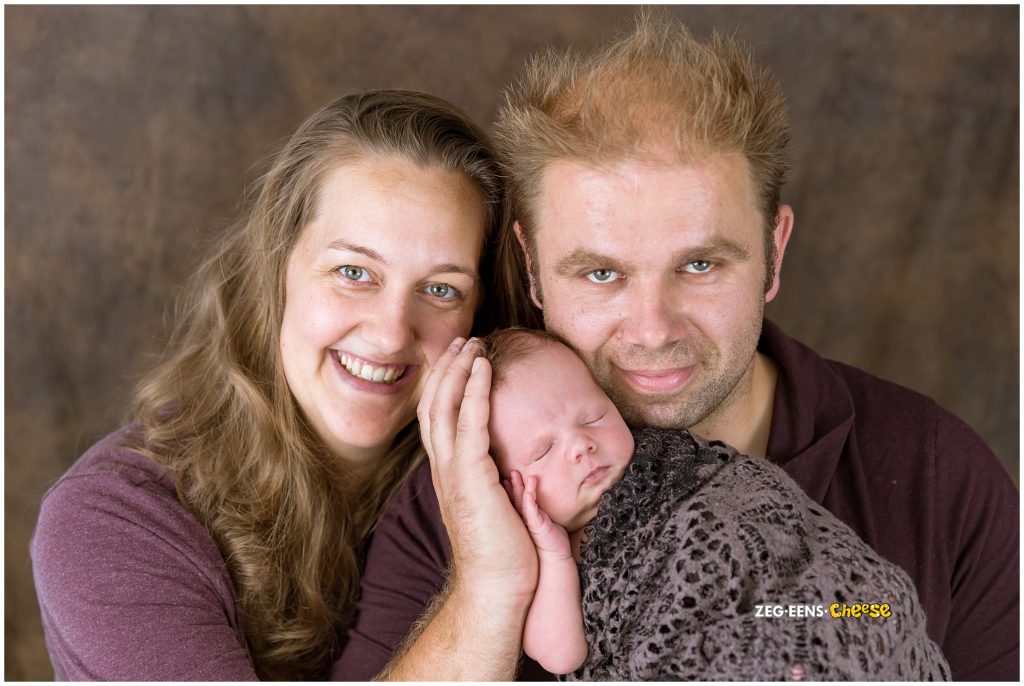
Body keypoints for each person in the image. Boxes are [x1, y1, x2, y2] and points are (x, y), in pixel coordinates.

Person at [336, 12, 1019, 682]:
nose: (653, 330)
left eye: (700, 266)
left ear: (774, 253)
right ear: (533, 268)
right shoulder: (467, 493)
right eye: (601, 273)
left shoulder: (936, 471)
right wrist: (487, 590)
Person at [29, 90, 508, 680]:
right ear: (276, 268)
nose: (389, 334)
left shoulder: (512, 473)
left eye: (441, 289)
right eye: (353, 272)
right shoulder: (113, 521)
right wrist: (489, 585)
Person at [482, 327, 949, 680]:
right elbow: (562, 654)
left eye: (593, 416)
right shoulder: (544, 555)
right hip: (681, 652)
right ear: (504, 486)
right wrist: (553, 552)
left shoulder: (677, 463)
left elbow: (762, 510)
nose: (580, 445)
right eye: (542, 450)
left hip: (788, 607)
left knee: (865, 611)